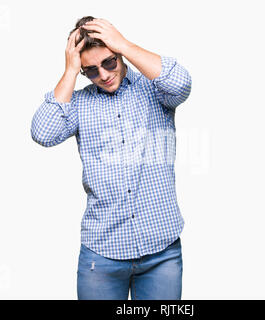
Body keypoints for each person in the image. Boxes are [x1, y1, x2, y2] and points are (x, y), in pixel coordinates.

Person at [30, 16, 192, 300]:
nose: (103, 75)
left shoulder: (154, 88)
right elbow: (43, 133)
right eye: (90, 70)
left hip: (161, 251)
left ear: (118, 54)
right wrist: (70, 70)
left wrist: (125, 45)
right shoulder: (78, 104)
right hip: (102, 254)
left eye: (108, 62)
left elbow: (182, 84)